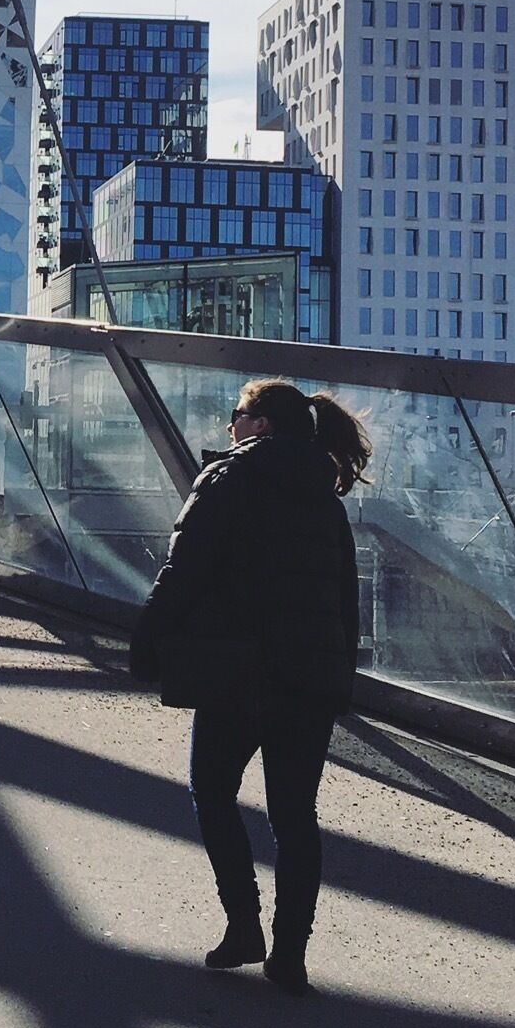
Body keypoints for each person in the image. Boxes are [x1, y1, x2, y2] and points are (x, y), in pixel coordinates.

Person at [132, 378, 369, 995]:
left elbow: (183, 568)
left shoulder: (226, 479)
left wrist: (147, 637)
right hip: (309, 679)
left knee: (211, 790)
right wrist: (337, 675)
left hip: (237, 672)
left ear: (260, 424)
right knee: (295, 817)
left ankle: (244, 925)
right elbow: (347, 598)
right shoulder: (326, 498)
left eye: (236, 416)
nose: (230, 426)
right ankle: (289, 955)